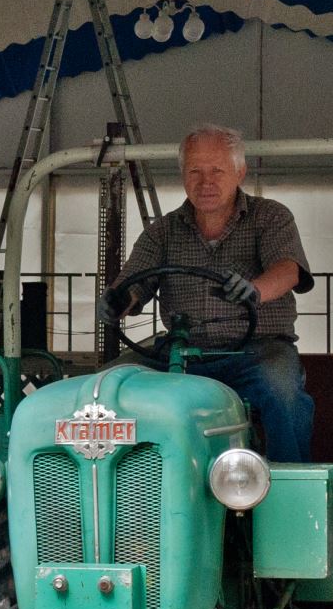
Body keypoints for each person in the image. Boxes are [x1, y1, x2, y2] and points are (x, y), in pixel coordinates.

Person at [102, 124, 317, 462]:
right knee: (106, 384)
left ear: (240, 172)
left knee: (283, 391)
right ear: (182, 175)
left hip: (256, 352)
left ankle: (288, 493)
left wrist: (254, 290)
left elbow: (288, 269)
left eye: (217, 170)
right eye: (195, 171)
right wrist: (117, 300)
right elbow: (133, 283)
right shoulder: (162, 232)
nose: (206, 182)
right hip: (181, 354)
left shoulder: (271, 217)